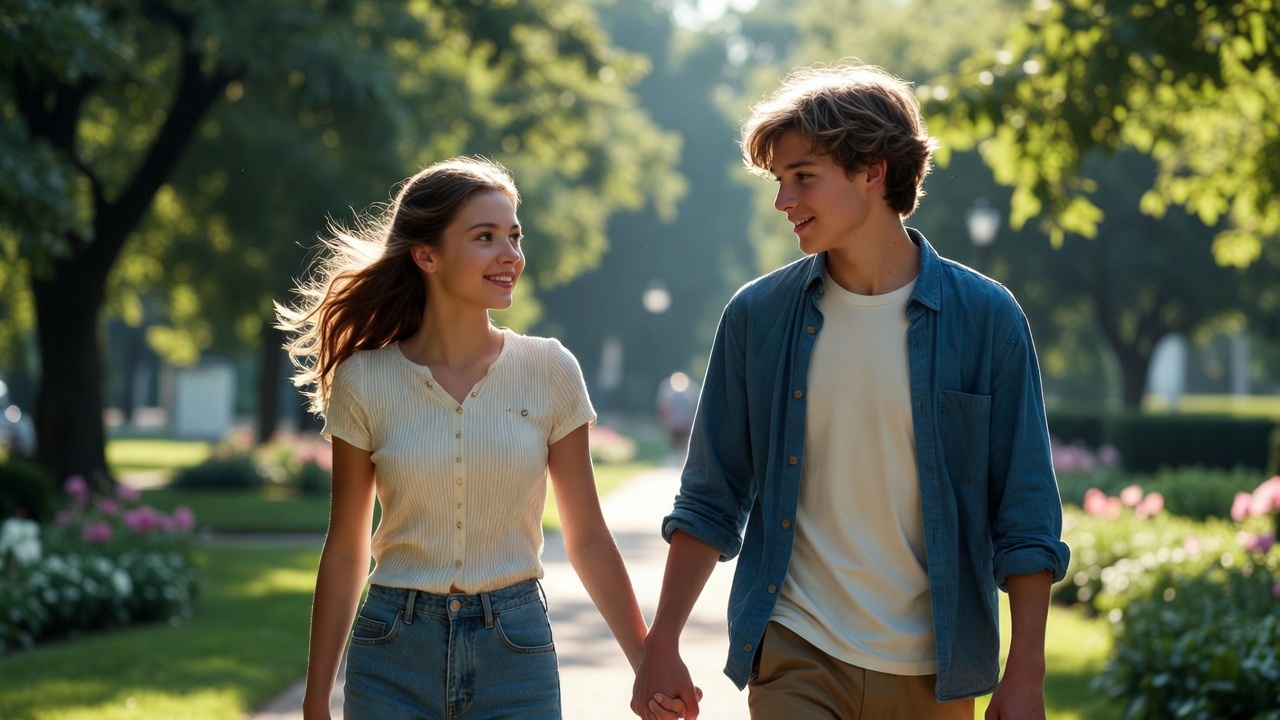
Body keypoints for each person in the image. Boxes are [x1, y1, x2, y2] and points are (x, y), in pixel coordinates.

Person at [631, 63, 1071, 720]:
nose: (784, 201)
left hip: (937, 667)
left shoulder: (986, 319)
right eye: (780, 182)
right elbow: (710, 494)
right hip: (797, 647)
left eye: (803, 177)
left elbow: (1026, 513)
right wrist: (659, 644)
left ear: (875, 170)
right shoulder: (758, 317)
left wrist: (1025, 671)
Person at [276, 156, 686, 719]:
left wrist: (648, 662)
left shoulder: (549, 369)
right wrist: (317, 696)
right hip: (393, 649)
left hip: (515, 651)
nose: (511, 255)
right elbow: (346, 547)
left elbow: (588, 537)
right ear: (427, 256)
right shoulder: (364, 380)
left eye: (515, 236)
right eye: (485, 237)